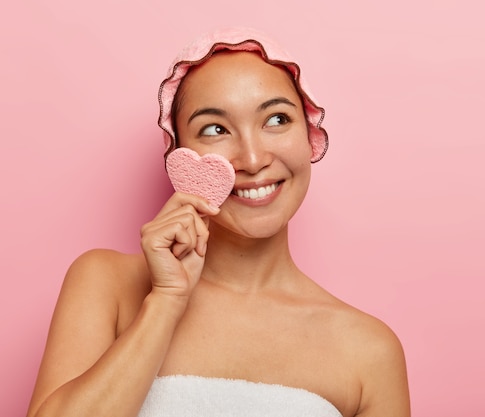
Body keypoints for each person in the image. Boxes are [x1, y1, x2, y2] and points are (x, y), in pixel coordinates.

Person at [26, 27, 410, 417]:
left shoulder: (369, 352)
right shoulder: (106, 283)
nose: (253, 158)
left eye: (277, 119)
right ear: (179, 158)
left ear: (309, 135)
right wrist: (165, 302)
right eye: (215, 129)